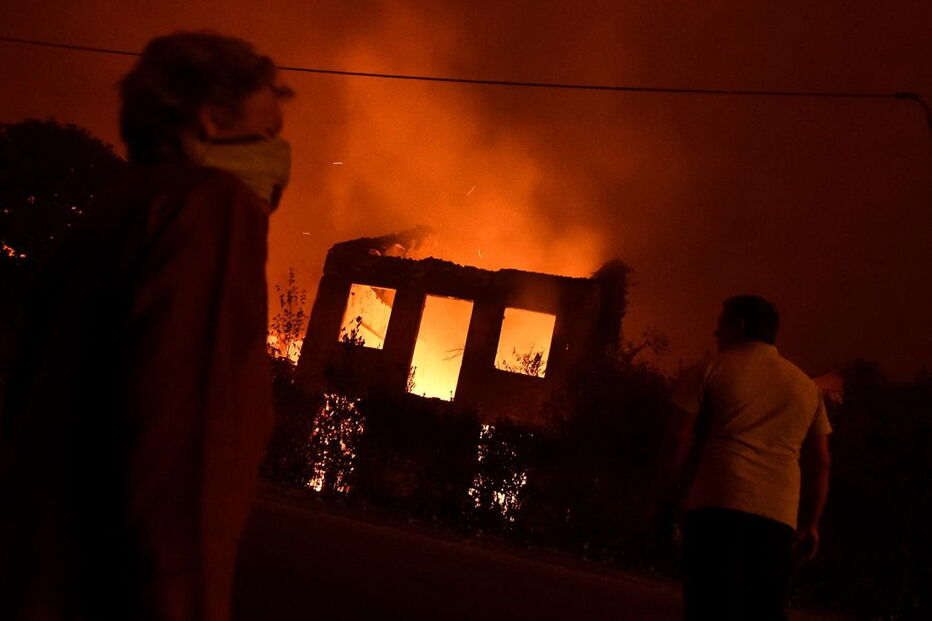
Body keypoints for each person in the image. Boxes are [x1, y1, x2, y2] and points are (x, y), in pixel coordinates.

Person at [0, 32, 293, 620]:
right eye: (267, 135)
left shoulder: (109, 216)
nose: (279, 157)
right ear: (210, 122)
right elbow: (184, 452)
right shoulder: (211, 208)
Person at [654, 295, 832, 621]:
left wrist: (666, 498)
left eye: (721, 323)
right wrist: (811, 523)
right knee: (762, 608)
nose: (715, 332)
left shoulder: (710, 368)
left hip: (716, 506)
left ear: (739, 325)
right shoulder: (806, 387)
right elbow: (820, 462)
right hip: (777, 516)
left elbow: (677, 438)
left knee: (708, 603)